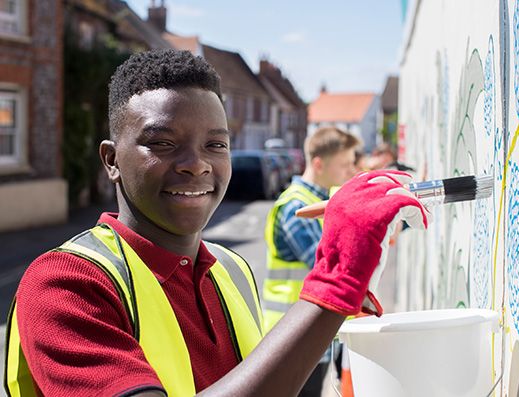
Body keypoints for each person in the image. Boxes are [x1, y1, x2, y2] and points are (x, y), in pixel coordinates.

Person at [5, 49, 430, 397]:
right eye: (163, 143)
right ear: (112, 160)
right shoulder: (63, 284)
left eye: (216, 144)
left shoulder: (231, 269)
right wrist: (334, 285)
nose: (196, 165)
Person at [263, 127, 360, 396]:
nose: (351, 170)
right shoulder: (298, 209)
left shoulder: (323, 201)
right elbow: (331, 267)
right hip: (292, 338)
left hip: (311, 335)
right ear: (319, 164)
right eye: (345, 164)